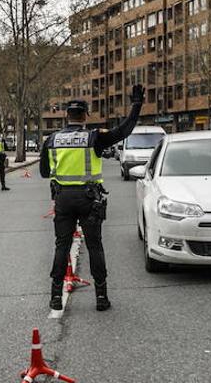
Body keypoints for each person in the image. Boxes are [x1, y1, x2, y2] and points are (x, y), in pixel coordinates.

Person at [40, 85, 144, 312]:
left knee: (61, 246)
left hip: (63, 199)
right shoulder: (94, 137)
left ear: (66, 115)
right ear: (85, 116)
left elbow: (44, 173)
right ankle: (101, 296)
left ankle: (56, 296)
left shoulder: (51, 140)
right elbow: (124, 131)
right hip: (89, 199)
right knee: (95, 246)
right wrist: (136, 105)